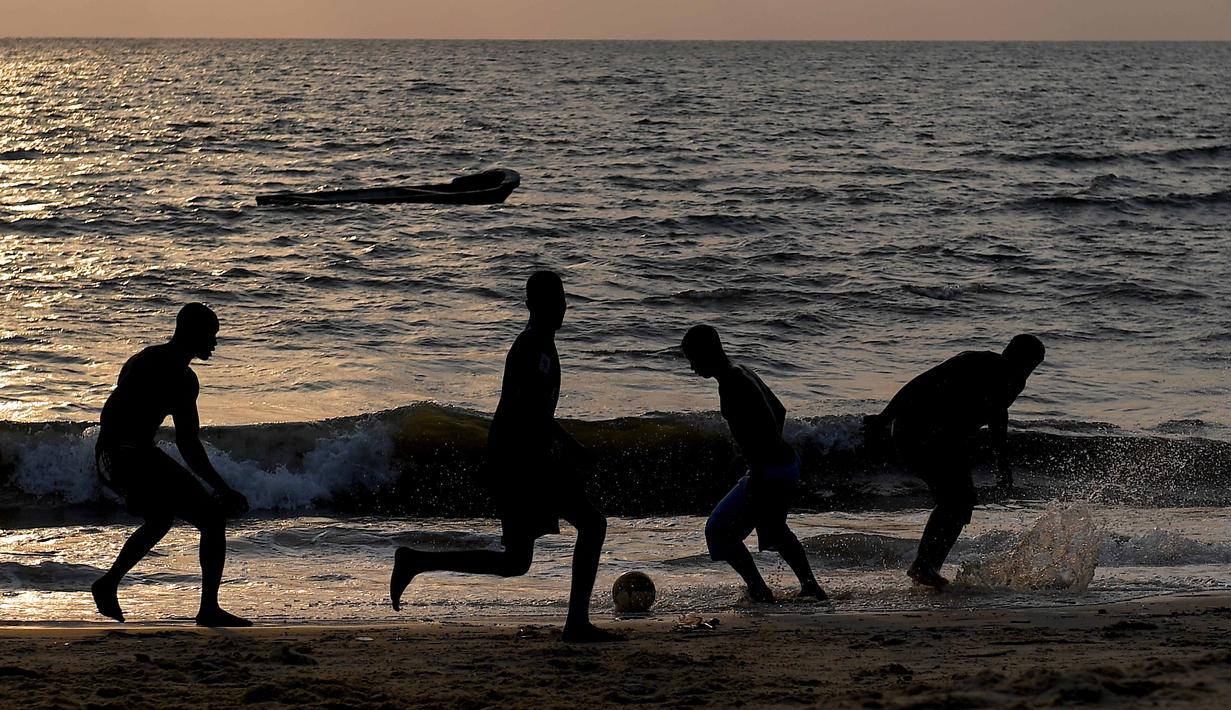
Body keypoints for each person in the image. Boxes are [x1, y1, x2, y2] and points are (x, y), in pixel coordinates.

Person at [390, 271, 621, 642]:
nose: (560, 307)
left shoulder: (542, 344)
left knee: (516, 561)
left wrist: (568, 447)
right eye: (551, 301)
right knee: (591, 525)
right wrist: (550, 456)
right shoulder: (531, 346)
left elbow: (537, 412)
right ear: (531, 305)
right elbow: (523, 411)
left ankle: (416, 560)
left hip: (525, 459)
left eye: (561, 299)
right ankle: (576, 624)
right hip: (521, 462)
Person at [91, 303, 252, 627]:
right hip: (122, 454)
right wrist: (124, 478)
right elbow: (114, 418)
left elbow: (187, 442)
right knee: (210, 518)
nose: (214, 343)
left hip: (132, 453)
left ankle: (108, 583)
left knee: (163, 519)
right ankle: (208, 610)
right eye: (210, 335)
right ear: (191, 333)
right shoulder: (154, 365)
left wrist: (220, 487)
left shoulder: (178, 375)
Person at [864, 334, 1045, 589]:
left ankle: (927, 567)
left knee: (960, 503)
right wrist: (884, 418)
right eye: (1026, 363)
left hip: (947, 441)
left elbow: (998, 414)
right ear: (1011, 354)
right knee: (956, 500)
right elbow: (918, 385)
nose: (1027, 370)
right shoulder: (975, 363)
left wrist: (1002, 463)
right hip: (917, 431)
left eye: (1033, 366)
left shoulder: (1015, 381)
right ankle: (923, 566)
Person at [681, 325, 826, 604]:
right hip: (784, 464)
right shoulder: (742, 371)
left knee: (718, 531)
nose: (692, 368)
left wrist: (759, 469)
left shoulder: (732, 383)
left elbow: (761, 430)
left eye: (694, 359)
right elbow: (779, 410)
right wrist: (767, 449)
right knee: (774, 530)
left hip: (769, 472)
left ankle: (760, 591)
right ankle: (810, 587)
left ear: (708, 352)